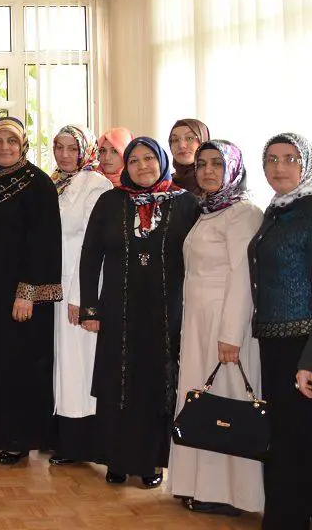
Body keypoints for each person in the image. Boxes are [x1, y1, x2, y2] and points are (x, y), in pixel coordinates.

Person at [79, 137, 199, 489]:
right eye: (134, 160)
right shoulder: (110, 201)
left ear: (161, 161)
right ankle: (116, 459)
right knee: (118, 383)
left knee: (155, 386)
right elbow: (90, 258)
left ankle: (151, 463)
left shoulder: (186, 204)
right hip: (118, 309)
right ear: (125, 166)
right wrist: (90, 307)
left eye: (149, 158)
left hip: (166, 312)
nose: (142, 166)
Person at [169, 140, 263, 516]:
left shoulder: (244, 213)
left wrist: (231, 334)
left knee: (226, 404)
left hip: (225, 323)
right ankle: (197, 485)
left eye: (217, 165)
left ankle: (233, 494)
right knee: (199, 400)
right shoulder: (209, 212)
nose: (208, 171)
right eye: (203, 164)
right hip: (198, 321)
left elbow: (243, 276)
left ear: (233, 169)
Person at [0, 116, 62, 465]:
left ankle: (21, 437)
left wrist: (27, 292)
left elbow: (43, 242)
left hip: (21, 295)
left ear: (23, 143)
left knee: (21, 366)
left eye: (12, 140)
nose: (4, 147)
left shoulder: (38, 183)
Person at [251, 133, 312, 529]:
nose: (279, 167)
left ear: (306, 164)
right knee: (281, 437)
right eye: (271, 159)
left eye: (289, 158)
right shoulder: (278, 209)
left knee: (301, 439)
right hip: (273, 340)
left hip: (303, 345)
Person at [49, 125, 113, 467]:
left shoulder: (96, 184)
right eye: (58, 147)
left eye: (71, 148)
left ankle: (85, 442)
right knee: (64, 364)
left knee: (80, 364)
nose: (64, 155)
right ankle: (66, 438)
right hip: (57, 288)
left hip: (80, 287)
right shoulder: (55, 182)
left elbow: (91, 246)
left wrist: (80, 296)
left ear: (84, 150)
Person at [169, 118, 210, 195]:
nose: (181, 146)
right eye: (175, 140)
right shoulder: (163, 185)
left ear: (203, 140)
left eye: (189, 138)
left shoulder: (216, 182)